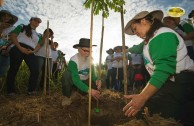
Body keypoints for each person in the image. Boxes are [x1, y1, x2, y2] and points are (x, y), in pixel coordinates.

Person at [123, 10, 194, 125]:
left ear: (144, 21)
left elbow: (164, 69)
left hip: (183, 82)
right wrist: (125, 50)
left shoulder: (162, 34)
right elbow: (136, 48)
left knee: (154, 113)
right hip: (169, 82)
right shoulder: (148, 40)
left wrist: (143, 96)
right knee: (146, 111)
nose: (135, 33)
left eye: (135, 28)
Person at [6, 17, 42, 95]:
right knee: (14, 68)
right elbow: (13, 36)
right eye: (35, 20)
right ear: (30, 20)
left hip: (31, 51)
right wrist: (20, 47)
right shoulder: (22, 26)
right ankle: (10, 90)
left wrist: (33, 51)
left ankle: (31, 90)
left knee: (36, 70)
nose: (37, 22)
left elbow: (38, 45)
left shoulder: (38, 35)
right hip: (18, 47)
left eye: (39, 22)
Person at [61, 38, 101, 106]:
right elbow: (76, 80)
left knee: (97, 82)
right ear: (79, 49)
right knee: (66, 75)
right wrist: (89, 90)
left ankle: (83, 94)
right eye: (85, 50)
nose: (87, 53)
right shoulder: (73, 60)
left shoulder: (91, 60)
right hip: (75, 83)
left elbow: (93, 75)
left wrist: (97, 80)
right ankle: (67, 96)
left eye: (90, 51)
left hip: (85, 82)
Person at [0, 10, 18, 77]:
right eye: (3, 15)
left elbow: (14, 39)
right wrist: (1, 28)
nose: (6, 17)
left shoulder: (14, 28)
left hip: (6, 52)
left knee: (2, 71)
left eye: (8, 16)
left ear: (11, 18)